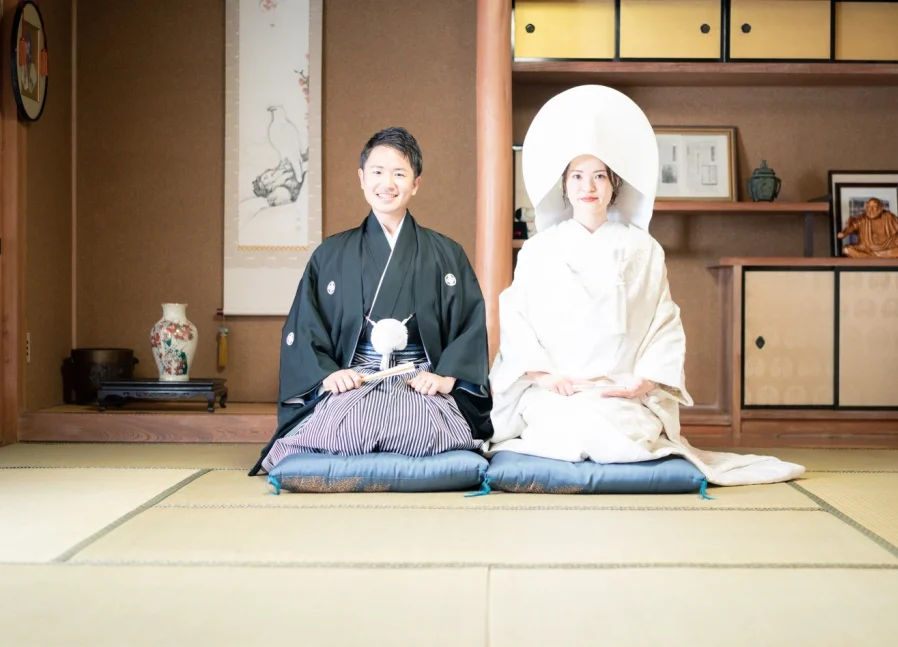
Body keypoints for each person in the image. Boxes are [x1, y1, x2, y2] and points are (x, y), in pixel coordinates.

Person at [488, 85, 804, 487]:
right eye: (577, 177)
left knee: (614, 434)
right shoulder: (538, 250)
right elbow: (516, 317)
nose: (589, 187)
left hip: (619, 391)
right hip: (556, 391)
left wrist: (645, 380)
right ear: (564, 186)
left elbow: (663, 321)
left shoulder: (642, 248)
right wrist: (545, 376)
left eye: (599, 176)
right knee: (566, 429)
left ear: (614, 184)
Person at [249, 127, 493, 477]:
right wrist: (328, 375)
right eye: (377, 172)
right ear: (362, 178)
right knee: (347, 428)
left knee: (424, 430)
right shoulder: (331, 254)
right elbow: (303, 328)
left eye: (399, 174)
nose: (387, 183)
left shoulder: (446, 253)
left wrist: (447, 378)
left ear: (416, 183)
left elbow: (470, 324)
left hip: (418, 379)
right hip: (356, 378)